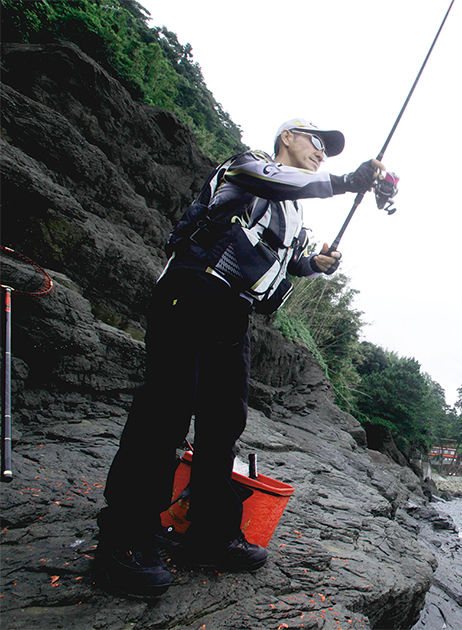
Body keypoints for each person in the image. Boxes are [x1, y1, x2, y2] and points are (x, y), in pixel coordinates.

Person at [94, 118, 385, 597]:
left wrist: (313, 264)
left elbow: (280, 259)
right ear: (287, 137)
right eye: (316, 143)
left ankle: (209, 532)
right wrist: (346, 182)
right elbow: (266, 183)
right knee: (166, 408)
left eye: (328, 153)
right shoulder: (248, 166)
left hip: (234, 310)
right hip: (192, 286)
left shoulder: (292, 209)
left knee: (223, 418)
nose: (321, 154)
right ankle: (125, 534)